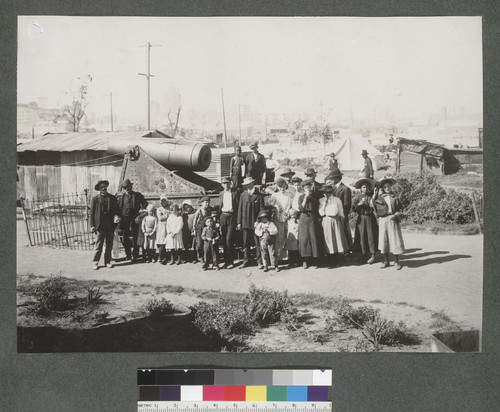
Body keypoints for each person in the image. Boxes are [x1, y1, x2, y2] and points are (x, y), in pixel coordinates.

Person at [372, 177, 405, 270]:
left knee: (395, 240)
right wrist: (375, 195)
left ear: (390, 187)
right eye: (385, 186)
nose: (387, 188)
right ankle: (386, 261)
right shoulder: (379, 197)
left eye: (388, 186)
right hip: (383, 220)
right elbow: (374, 207)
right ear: (382, 187)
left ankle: (396, 262)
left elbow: (400, 208)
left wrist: (397, 214)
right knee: (384, 241)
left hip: (392, 219)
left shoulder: (394, 197)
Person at [89, 180, 121, 270]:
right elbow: (91, 213)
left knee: (109, 245)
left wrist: (117, 217)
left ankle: (107, 261)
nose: (104, 188)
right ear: (99, 189)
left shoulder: (112, 198)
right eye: (102, 187)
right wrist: (92, 225)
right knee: (99, 245)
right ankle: (95, 262)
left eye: (105, 187)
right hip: (100, 226)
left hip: (110, 225)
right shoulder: (95, 199)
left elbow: (117, 210)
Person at [117, 178, 148, 261]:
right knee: (125, 238)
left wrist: (141, 213)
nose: (128, 188)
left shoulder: (137, 195)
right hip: (124, 219)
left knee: (136, 237)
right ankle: (128, 254)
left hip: (135, 219)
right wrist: (119, 217)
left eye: (129, 186)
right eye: (126, 187)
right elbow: (118, 209)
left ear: (131, 186)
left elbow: (145, 204)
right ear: (124, 188)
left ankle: (135, 254)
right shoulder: (122, 197)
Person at [237, 177, 265, 268]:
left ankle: (259, 262)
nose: (247, 186)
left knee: (257, 243)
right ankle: (246, 261)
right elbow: (240, 210)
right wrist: (239, 222)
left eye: (249, 184)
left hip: (255, 224)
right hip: (245, 223)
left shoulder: (259, 196)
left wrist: (258, 221)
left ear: (252, 184)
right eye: (246, 185)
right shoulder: (242, 195)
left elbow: (262, 210)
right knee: (245, 243)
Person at [319, 183, 348, 266]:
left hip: (335, 220)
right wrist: (324, 203)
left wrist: (342, 220)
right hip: (326, 220)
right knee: (328, 239)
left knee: (336, 238)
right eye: (324, 193)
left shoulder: (337, 200)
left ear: (331, 192)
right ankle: (329, 258)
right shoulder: (321, 200)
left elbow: (340, 212)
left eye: (328, 192)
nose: (326, 194)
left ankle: (336, 258)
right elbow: (321, 213)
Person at [298, 179, 324, 269]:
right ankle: (305, 260)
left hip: (312, 217)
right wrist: (306, 197)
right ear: (303, 189)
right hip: (304, 217)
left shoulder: (314, 197)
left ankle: (315, 259)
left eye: (308, 187)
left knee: (313, 237)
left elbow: (316, 208)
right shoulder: (301, 197)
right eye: (305, 188)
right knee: (304, 238)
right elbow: (301, 208)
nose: (307, 189)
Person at [266, 177, 292, 263]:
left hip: (288, 217)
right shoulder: (275, 195)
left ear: (286, 185)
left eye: (283, 186)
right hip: (278, 218)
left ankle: (286, 257)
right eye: (280, 186)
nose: (282, 188)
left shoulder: (289, 194)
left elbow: (291, 205)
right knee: (279, 237)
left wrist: (288, 212)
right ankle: (278, 257)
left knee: (287, 236)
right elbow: (268, 204)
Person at [352, 178, 378, 264]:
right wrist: (358, 205)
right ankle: (363, 254)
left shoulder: (371, 197)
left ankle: (373, 254)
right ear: (360, 188)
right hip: (361, 218)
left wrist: (374, 196)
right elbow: (353, 208)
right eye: (363, 187)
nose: (365, 189)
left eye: (367, 187)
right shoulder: (357, 197)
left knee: (371, 236)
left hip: (370, 218)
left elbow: (375, 206)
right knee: (362, 236)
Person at [218, 176, 241, 269]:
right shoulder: (221, 193)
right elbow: (220, 206)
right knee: (223, 240)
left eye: (227, 183)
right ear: (222, 184)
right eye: (224, 183)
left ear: (230, 183)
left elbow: (239, 207)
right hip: (223, 216)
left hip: (232, 217)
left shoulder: (236, 192)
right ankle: (226, 262)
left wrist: (238, 221)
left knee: (229, 240)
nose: (225, 185)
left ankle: (231, 261)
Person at [330, 168, 353, 252]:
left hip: (341, 214)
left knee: (344, 231)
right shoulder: (332, 188)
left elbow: (347, 204)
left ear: (337, 178)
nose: (331, 181)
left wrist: (343, 215)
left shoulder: (345, 189)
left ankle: (347, 250)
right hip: (334, 214)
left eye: (332, 179)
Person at [286, 176, 303, 266]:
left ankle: (300, 258)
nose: (297, 186)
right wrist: (290, 212)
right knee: (292, 238)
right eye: (295, 185)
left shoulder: (302, 194)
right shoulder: (292, 194)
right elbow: (289, 205)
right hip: (292, 218)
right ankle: (292, 259)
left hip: (300, 217)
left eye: (298, 184)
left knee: (300, 238)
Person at [192, 196, 212, 263]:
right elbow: (195, 220)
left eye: (208, 202)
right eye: (206, 202)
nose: (207, 204)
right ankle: (200, 256)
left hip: (206, 228)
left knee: (206, 243)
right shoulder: (199, 210)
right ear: (202, 203)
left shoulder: (209, 210)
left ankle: (207, 257)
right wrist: (194, 230)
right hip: (200, 228)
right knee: (200, 244)